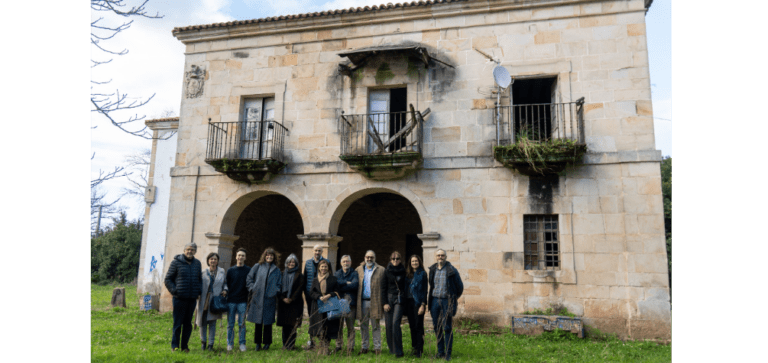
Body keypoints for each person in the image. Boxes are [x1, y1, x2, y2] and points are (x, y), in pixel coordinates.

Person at [164, 242, 202, 353]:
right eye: (188, 249)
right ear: (184, 250)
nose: (190, 251)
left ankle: (184, 346)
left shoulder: (197, 263)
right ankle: (174, 346)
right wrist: (175, 291)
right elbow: (168, 279)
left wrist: (198, 291)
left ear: (195, 251)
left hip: (192, 299)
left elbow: (199, 279)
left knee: (188, 324)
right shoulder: (176, 262)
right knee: (177, 324)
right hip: (179, 299)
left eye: (192, 250)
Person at [428, 249, 464, 361]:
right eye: (438, 255)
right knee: (437, 327)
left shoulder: (452, 270)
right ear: (436, 257)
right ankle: (440, 352)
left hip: (446, 301)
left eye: (442, 255)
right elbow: (431, 284)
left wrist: (453, 298)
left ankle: (448, 354)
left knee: (447, 327)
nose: (440, 257)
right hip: (434, 301)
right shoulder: (432, 269)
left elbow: (460, 287)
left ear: (446, 257)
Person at [246, 248, 282, 351]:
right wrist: (252, 288)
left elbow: (279, 284)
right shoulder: (258, 266)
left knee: (267, 323)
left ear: (274, 257)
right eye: (267, 255)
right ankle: (257, 343)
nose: (269, 257)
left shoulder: (277, 270)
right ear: (264, 256)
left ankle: (267, 343)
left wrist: (274, 291)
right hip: (257, 298)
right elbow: (249, 278)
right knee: (258, 322)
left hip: (269, 299)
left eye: (271, 255)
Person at [355, 250, 386, 355]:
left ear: (375, 258)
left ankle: (377, 348)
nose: (369, 259)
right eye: (367, 257)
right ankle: (364, 347)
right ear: (364, 257)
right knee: (363, 325)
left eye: (371, 257)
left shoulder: (381, 270)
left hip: (375, 302)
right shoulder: (358, 270)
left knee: (376, 326)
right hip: (362, 302)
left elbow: (384, 287)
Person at [196, 252, 228, 351]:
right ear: (208, 261)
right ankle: (203, 342)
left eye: (215, 259)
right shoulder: (203, 272)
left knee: (213, 323)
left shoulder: (222, 271)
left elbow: (225, 284)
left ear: (217, 261)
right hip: (204, 300)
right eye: (211, 259)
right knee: (203, 322)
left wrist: (225, 290)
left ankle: (211, 344)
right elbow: (198, 285)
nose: (213, 261)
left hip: (215, 300)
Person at [309, 259, 341, 355]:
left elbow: (337, 291)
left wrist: (329, 295)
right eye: (322, 266)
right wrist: (319, 297)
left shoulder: (333, 279)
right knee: (319, 327)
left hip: (329, 305)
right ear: (319, 268)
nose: (323, 268)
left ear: (328, 268)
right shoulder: (315, 280)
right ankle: (320, 347)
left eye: (325, 266)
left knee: (328, 327)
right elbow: (311, 292)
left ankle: (326, 348)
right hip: (317, 306)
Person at [303, 244, 330, 350]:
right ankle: (312, 342)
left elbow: (330, 276)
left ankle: (323, 342)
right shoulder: (308, 263)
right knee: (312, 319)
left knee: (323, 319)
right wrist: (306, 294)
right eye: (315, 250)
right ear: (313, 251)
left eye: (319, 250)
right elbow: (305, 279)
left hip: (323, 297)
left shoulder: (326, 262)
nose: (317, 252)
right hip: (311, 297)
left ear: (322, 252)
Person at [277, 254, 305, 351]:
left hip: (295, 303)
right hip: (283, 303)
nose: (291, 263)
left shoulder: (300, 275)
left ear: (296, 263)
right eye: (290, 262)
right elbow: (278, 287)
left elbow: (300, 288)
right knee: (285, 326)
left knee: (293, 325)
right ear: (286, 263)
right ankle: (285, 344)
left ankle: (291, 345)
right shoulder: (281, 273)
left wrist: (291, 299)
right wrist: (283, 298)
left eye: (293, 262)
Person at [225, 248, 250, 352]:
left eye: (242, 255)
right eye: (239, 255)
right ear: (236, 257)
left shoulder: (248, 270)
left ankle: (242, 343)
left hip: (242, 301)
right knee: (230, 324)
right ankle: (230, 344)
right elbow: (226, 284)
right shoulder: (230, 270)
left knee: (242, 324)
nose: (240, 257)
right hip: (231, 300)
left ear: (245, 258)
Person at [383, 251, 407, 358]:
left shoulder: (404, 271)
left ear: (400, 260)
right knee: (388, 325)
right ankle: (392, 349)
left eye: (397, 259)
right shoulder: (386, 271)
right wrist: (384, 303)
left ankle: (399, 351)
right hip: (389, 298)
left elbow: (406, 286)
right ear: (390, 260)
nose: (395, 261)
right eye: (393, 259)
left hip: (399, 298)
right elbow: (383, 288)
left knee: (395, 323)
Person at [334, 255, 359, 354]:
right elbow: (336, 285)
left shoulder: (354, 273)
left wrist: (343, 285)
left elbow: (355, 285)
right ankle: (338, 345)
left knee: (350, 326)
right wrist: (347, 283)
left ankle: (350, 346)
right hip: (339, 303)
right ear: (341, 263)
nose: (345, 263)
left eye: (347, 261)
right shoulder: (337, 273)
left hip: (350, 303)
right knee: (339, 326)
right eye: (344, 261)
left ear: (350, 262)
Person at [405, 255, 428, 358]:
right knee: (412, 326)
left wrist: (423, 305)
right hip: (409, 303)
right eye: (412, 261)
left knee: (418, 326)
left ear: (419, 262)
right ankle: (414, 347)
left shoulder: (422, 274)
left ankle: (419, 350)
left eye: (416, 261)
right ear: (410, 263)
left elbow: (424, 291)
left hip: (418, 303)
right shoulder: (408, 274)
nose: (414, 263)